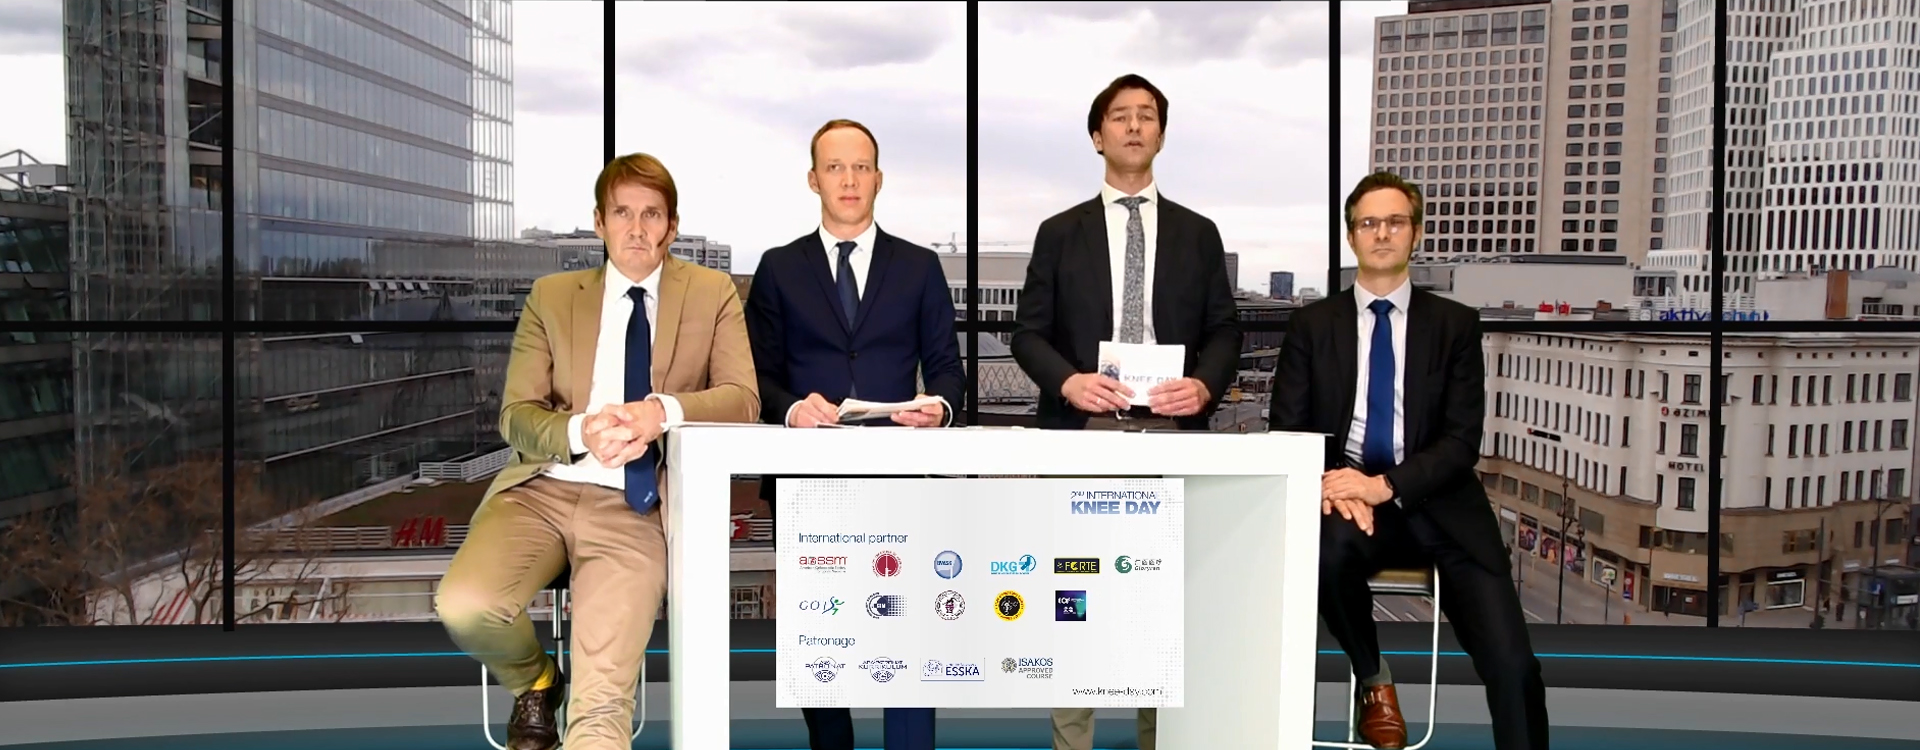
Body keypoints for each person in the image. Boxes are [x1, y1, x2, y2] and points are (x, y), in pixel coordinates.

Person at [435, 153, 760, 750]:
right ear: (599, 222)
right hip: (541, 491)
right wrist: (580, 431)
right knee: (465, 605)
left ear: (672, 226)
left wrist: (662, 412)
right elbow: (516, 416)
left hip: (635, 506)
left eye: (651, 214)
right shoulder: (553, 296)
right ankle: (537, 681)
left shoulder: (711, 292)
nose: (636, 228)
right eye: (622, 213)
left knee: (602, 709)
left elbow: (744, 400)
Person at [1269, 172, 1549, 750]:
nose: (1382, 233)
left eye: (1395, 222)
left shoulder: (1455, 325)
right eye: (1369, 223)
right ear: (1352, 236)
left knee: (1514, 666)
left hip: (1440, 505)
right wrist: (1334, 487)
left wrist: (1385, 486)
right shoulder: (1311, 326)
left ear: (1415, 234)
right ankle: (1374, 680)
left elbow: (1461, 441)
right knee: (1320, 551)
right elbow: (1289, 432)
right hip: (1349, 505)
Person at [1010, 73, 1239, 750]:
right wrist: (1068, 382)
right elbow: (1028, 334)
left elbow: (1226, 331)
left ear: (1161, 135)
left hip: (1172, 433)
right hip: (1084, 432)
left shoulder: (1199, 234)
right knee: (1075, 603)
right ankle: (1071, 743)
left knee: (1159, 609)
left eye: (1146, 116)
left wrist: (1204, 386)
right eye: (1119, 115)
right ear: (1096, 135)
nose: (1134, 126)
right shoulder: (1059, 233)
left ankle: (1158, 740)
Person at [745, 119, 961, 750]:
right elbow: (757, 375)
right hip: (808, 479)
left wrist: (940, 407)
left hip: (901, 475)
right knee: (820, 642)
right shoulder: (778, 268)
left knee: (910, 636)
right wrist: (792, 409)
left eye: (860, 167)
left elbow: (947, 369)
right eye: (835, 167)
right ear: (814, 179)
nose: (848, 179)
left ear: (879, 179)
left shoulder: (919, 266)